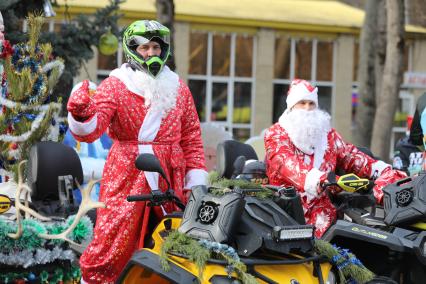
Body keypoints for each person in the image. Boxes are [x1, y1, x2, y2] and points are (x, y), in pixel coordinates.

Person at [66, 20, 207, 283]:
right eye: (145, 47)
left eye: (156, 47)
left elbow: (191, 138)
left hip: (168, 176)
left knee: (172, 242)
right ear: (132, 49)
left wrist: (195, 180)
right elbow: (91, 130)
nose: (151, 53)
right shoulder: (116, 85)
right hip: (127, 175)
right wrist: (81, 112)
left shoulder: (179, 89)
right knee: (112, 244)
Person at [264, 79, 406, 238]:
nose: (307, 109)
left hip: (324, 215)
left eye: (311, 103)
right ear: (291, 106)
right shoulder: (276, 134)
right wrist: (326, 179)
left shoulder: (328, 136)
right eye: (301, 103)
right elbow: (287, 164)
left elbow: (352, 156)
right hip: (286, 213)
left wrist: (382, 171)